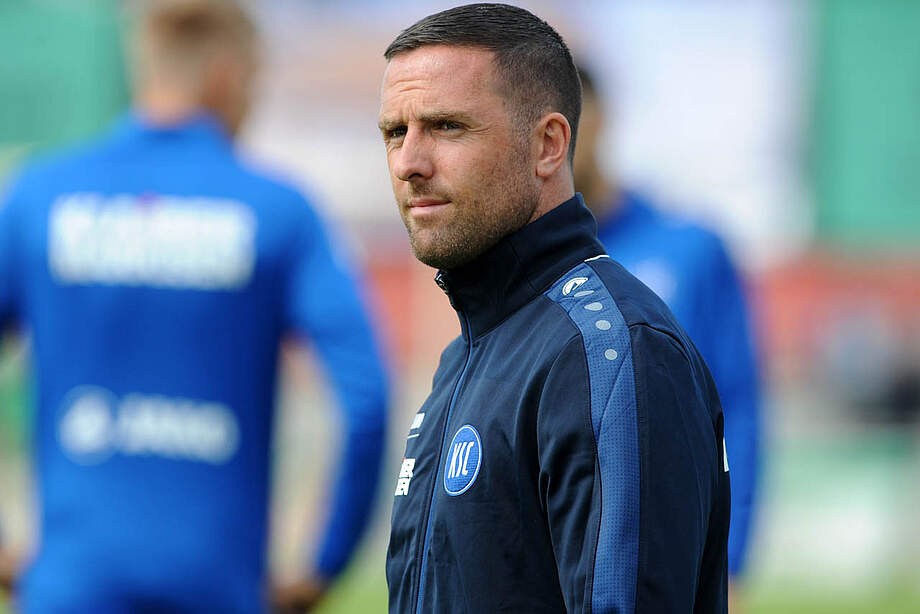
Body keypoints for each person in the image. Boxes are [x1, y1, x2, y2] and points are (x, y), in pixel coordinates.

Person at [0, 1, 388, 612]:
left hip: (71, 586)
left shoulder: (41, 195)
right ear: (227, 76)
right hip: (217, 587)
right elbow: (366, 397)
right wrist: (323, 565)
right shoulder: (277, 209)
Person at [379, 4, 730, 613]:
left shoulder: (611, 351)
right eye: (394, 133)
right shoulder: (470, 352)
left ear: (547, 145)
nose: (409, 162)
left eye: (447, 127)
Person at [573, 64, 761, 592]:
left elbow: (736, 403)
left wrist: (731, 558)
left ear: (602, 119)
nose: (556, 143)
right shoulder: (523, 267)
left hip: (672, 551)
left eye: (568, 120)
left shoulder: (691, 248)